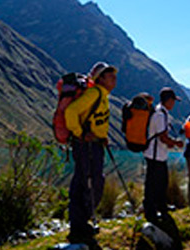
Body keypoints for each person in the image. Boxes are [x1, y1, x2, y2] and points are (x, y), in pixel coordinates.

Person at [64, 62, 117, 249]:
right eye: (109, 75)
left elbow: (96, 119)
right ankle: (78, 226)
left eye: (113, 75)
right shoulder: (94, 94)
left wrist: (102, 137)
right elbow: (71, 112)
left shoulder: (103, 96)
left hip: (94, 145)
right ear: (100, 79)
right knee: (85, 181)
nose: (114, 78)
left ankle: (81, 223)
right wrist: (79, 133)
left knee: (91, 181)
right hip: (85, 145)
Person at [143, 87, 184, 221]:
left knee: (161, 183)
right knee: (153, 184)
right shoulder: (160, 114)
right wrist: (175, 143)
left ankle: (161, 207)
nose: (174, 104)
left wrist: (170, 143)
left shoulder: (162, 112)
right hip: (154, 155)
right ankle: (151, 212)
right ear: (168, 100)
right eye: (173, 100)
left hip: (158, 154)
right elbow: (162, 137)